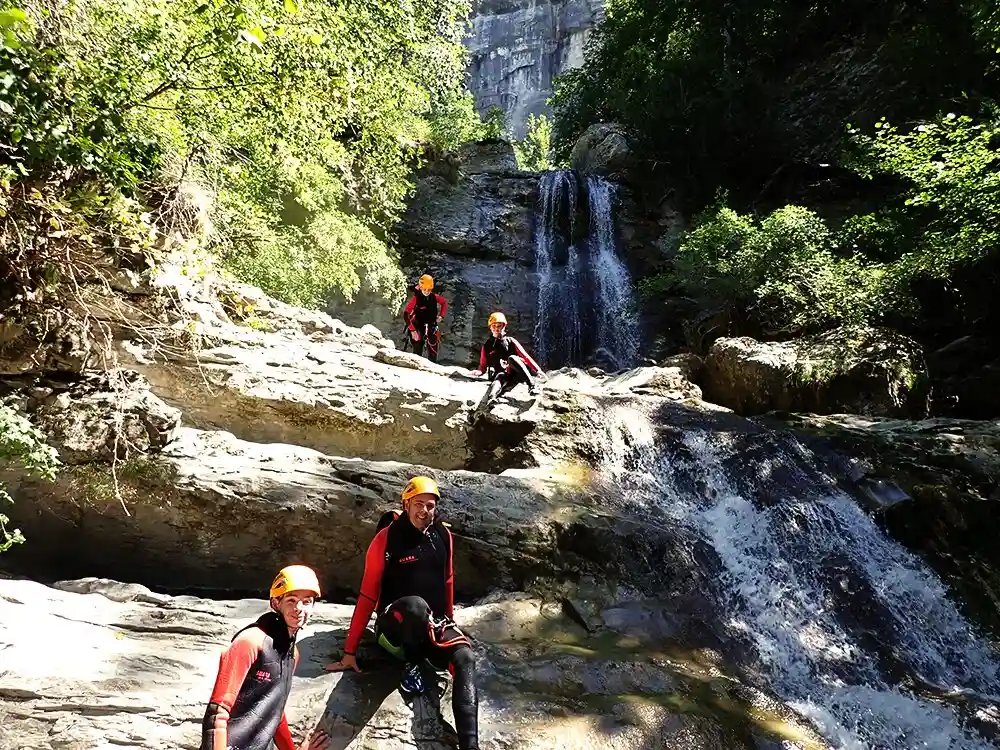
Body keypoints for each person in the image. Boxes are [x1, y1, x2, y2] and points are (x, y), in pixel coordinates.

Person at [325, 476, 479, 750]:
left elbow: (448, 582)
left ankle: (471, 745)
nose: (424, 511)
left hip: (431, 627)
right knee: (415, 606)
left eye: (430, 506)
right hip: (393, 631)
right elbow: (367, 595)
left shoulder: (443, 535)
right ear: (405, 504)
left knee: (465, 658)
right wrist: (349, 652)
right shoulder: (386, 539)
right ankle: (412, 667)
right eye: (418, 504)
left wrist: (450, 622)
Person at [201, 565, 330, 750]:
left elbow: (274, 711)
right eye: (291, 600)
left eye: (307, 601)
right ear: (276, 603)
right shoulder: (251, 641)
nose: (299, 609)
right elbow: (217, 714)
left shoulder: (292, 654)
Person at [470, 311, 543, 397]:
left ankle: (532, 386)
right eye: (494, 326)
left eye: (499, 326)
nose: (497, 328)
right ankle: (492, 398)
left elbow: (525, 357)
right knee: (499, 376)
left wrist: (538, 370)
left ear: (504, 326)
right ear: (490, 327)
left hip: (515, 374)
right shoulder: (487, 346)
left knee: (512, 358)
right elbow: (482, 367)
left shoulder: (510, 341)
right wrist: (478, 372)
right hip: (501, 376)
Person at [403, 274, 449, 362]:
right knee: (417, 351)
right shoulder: (416, 298)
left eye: (429, 290)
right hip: (418, 326)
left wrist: (441, 316)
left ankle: (432, 368)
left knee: (433, 352)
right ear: (420, 287)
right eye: (425, 289)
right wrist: (412, 331)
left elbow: (444, 303)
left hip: (431, 326)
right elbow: (406, 314)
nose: (427, 291)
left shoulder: (434, 297)